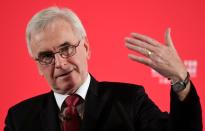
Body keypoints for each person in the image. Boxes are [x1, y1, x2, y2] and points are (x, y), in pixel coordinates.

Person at [4, 6, 202, 131]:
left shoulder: (129, 100)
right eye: (47, 56)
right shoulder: (19, 118)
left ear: (86, 48)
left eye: (66, 49)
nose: (60, 63)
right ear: (38, 65)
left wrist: (180, 80)